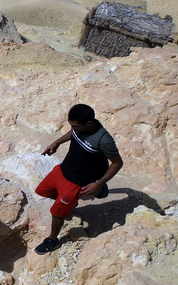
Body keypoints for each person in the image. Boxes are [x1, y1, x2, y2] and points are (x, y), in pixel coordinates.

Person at [33, 103, 123, 255]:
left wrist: (98, 183)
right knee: (41, 191)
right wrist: (57, 142)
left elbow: (117, 163)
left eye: (75, 126)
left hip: (76, 183)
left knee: (57, 212)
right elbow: (73, 133)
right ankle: (69, 204)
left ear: (88, 122)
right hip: (62, 170)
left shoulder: (104, 140)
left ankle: (53, 240)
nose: (73, 129)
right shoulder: (79, 129)